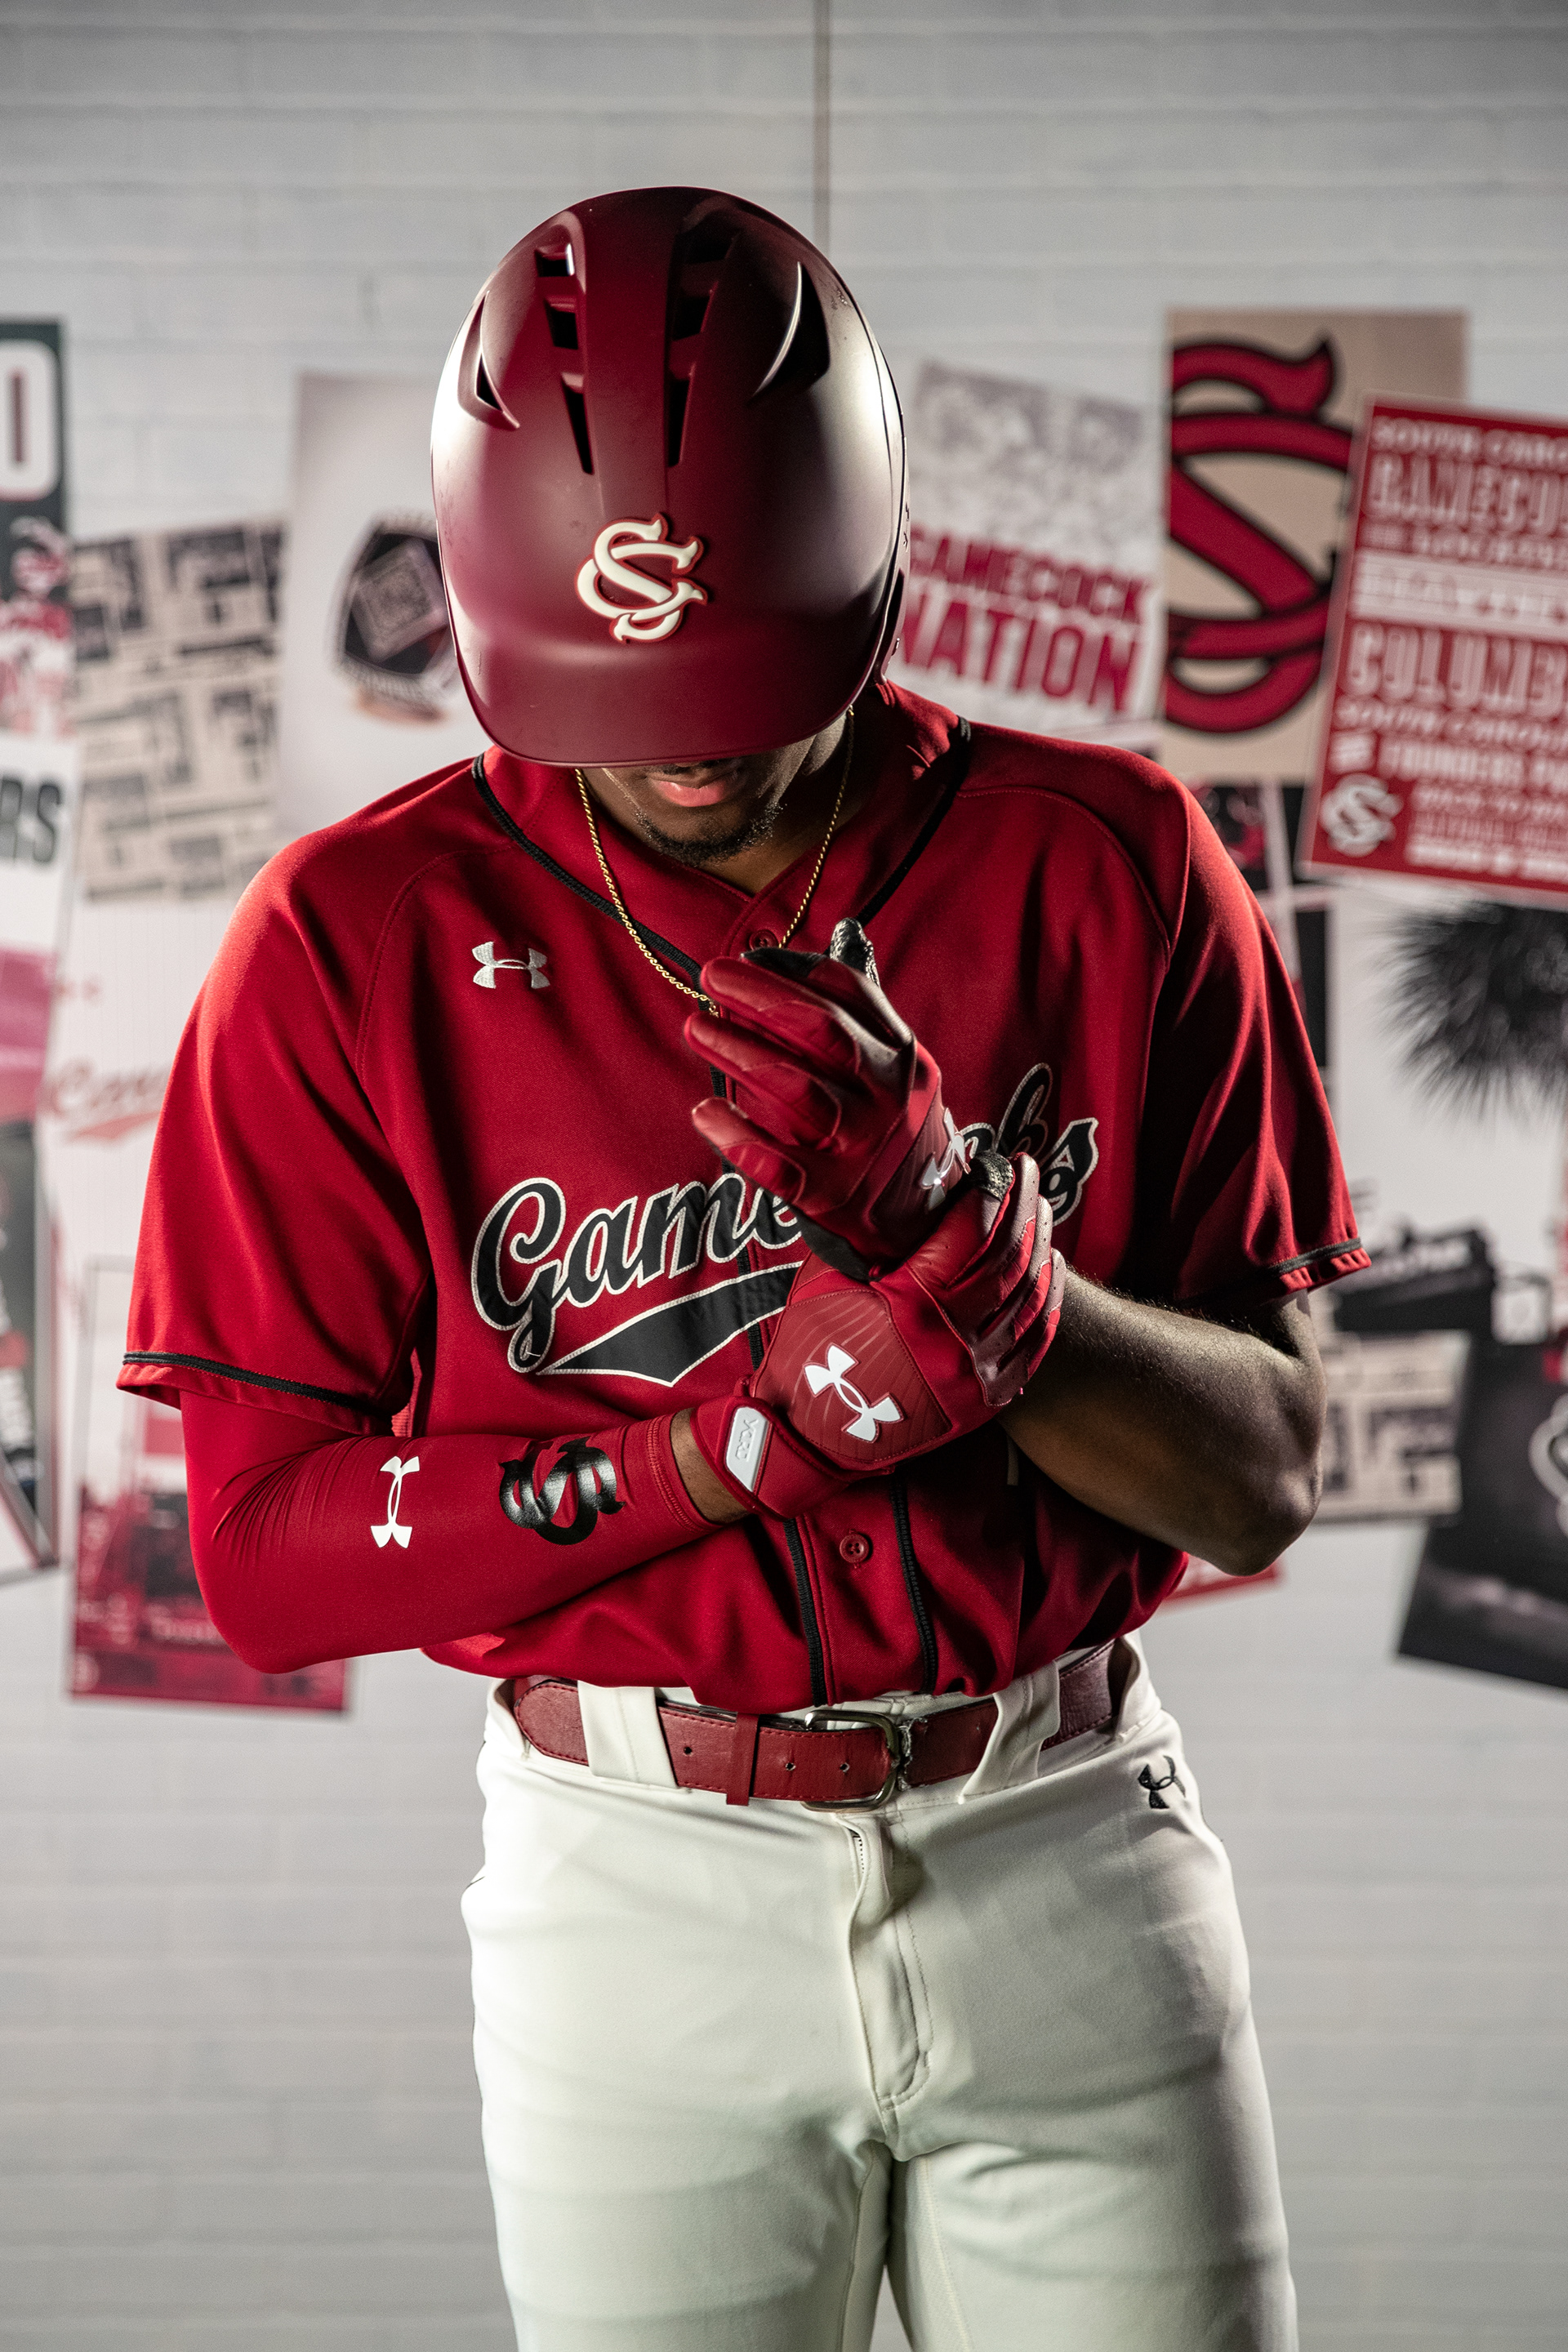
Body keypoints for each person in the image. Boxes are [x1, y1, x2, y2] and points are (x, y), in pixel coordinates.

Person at [122, 186, 1369, 2352]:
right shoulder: (349, 942)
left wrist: (984, 1275)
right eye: (621, 682)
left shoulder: (1119, 862)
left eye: (737, 671)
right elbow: (255, 1560)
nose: (689, 744)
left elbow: (1264, 1472)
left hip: (1063, 1824)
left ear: (874, 573)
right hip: (633, 1886)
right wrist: (732, 1451)